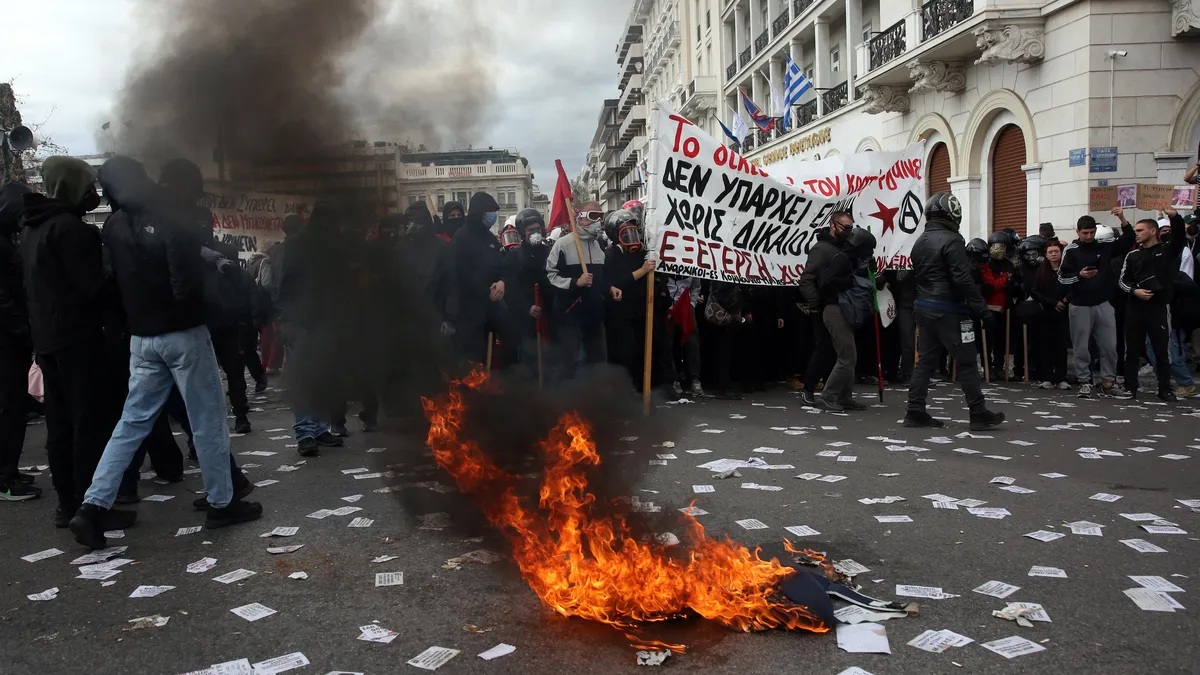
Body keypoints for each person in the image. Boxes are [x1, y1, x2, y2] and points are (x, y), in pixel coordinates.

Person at [68, 158, 263, 549]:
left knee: (131, 422)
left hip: (141, 338)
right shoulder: (171, 218)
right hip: (182, 334)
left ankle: (93, 506)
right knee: (207, 419)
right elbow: (185, 282)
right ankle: (222, 503)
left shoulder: (114, 225)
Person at [20, 157, 121, 527]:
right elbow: (94, 288)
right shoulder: (71, 231)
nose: (93, 194)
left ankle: (67, 502)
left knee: (60, 425)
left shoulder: (33, 229)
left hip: (47, 340)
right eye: (87, 185)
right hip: (78, 339)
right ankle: (90, 506)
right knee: (88, 423)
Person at [159, 159, 256, 434]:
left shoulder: (221, 252)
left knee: (229, 371)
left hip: (217, 319)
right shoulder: (182, 246)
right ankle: (214, 425)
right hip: (200, 318)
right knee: (210, 376)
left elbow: (236, 286)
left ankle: (236, 416)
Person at [904, 192, 1005, 431]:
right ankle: (978, 412)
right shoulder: (952, 240)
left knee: (925, 362)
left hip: (924, 306)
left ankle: (915, 410)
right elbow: (962, 279)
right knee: (967, 362)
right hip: (950, 309)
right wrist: (982, 310)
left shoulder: (920, 241)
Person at [278, 203, 349, 456]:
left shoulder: (333, 248)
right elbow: (286, 284)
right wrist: (286, 319)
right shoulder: (298, 245)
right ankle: (305, 432)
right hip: (302, 321)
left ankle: (319, 428)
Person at [1058, 210, 1134, 398]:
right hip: (1080, 304)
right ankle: (1085, 381)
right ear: (1077, 231)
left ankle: (1108, 382)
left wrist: (1122, 219)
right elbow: (1061, 278)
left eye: (1092, 232)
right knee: (1081, 346)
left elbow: (1128, 240)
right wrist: (1079, 276)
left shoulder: (1105, 245)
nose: (1089, 236)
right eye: (1085, 233)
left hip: (1103, 302)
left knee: (1110, 345)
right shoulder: (1071, 250)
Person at [798, 211, 865, 412]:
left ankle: (841, 395)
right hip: (826, 305)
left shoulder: (845, 249)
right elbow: (806, 279)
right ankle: (810, 389)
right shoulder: (821, 250)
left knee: (842, 352)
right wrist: (816, 304)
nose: (849, 231)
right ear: (833, 225)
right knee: (824, 349)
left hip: (841, 305)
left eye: (851, 228)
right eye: (846, 227)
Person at [1118, 209, 1188, 401]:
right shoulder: (1132, 255)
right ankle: (1130, 388)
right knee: (1131, 350)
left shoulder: (1166, 251)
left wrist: (1174, 217)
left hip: (1158, 307)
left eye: (1141, 230)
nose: (1137, 233)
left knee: (1161, 351)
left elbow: (1180, 236)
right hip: (1135, 308)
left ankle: (1164, 388)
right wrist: (1135, 291)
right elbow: (1122, 281)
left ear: (1153, 231)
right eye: (1136, 230)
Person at [0, 182, 39, 501]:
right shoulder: (2, 243)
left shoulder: (6, 240)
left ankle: (8, 471)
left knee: (12, 409)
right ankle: (5, 477)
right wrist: (22, 329)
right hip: (7, 342)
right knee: (8, 409)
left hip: (11, 339)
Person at [546, 203, 611, 380]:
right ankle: (566, 403)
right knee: (569, 361)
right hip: (569, 315)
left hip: (594, 314)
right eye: (593, 215)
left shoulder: (599, 246)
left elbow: (601, 279)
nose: (598, 221)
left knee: (597, 360)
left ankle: (592, 400)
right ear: (580, 217)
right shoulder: (563, 244)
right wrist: (576, 282)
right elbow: (550, 276)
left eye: (600, 216)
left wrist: (610, 288)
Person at [602, 208, 660, 392]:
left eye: (633, 229)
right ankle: (624, 391)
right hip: (621, 314)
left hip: (642, 309)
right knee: (625, 353)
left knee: (643, 352)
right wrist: (642, 271)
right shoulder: (611, 255)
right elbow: (616, 281)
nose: (631, 234)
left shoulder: (644, 252)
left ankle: (643, 389)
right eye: (625, 231)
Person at [449, 192, 506, 365]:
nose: (493, 215)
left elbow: (501, 266)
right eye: (490, 210)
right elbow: (461, 273)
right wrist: (485, 292)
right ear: (479, 211)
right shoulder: (461, 237)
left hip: (491, 311)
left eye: (495, 211)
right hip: (469, 313)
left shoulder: (491, 238)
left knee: (490, 359)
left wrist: (502, 282)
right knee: (472, 363)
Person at [501, 208, 551, 380]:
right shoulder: (513, 257)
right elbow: (510, 290)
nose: (535, 233)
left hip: (548, 314)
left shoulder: (549, 252)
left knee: (549, 357)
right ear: (523, 233)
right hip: (525, 318)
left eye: (538, 229)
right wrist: (527, 308)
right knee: (528, 358)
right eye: (531, 230)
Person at [1029, 239, 1071, 389]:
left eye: (1056, 251)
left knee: (1061, 346)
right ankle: (1047, 377)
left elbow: (1075, 286)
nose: (1053, 254)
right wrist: (1052, 303)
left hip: (1063, 312)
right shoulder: (1041, 271)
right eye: (1050, 252)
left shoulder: (1067, 269)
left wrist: (1065, 300)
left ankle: (1061, 378)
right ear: (1046, 255)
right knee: (1045, 345)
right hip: (1046, 311)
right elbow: (1034, 291)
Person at [980, 232, 1017, 380]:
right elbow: (989, 285)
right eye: (995, 247)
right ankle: (987, 366)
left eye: (1001, 247)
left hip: (1005, 307)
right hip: (989, 307)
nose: (998, 250)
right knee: (988, 340)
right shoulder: (986, 264)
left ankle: (999, 366)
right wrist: (1005, 280)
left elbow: (1015, 284)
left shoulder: (1009, 264)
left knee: (1002, 341)